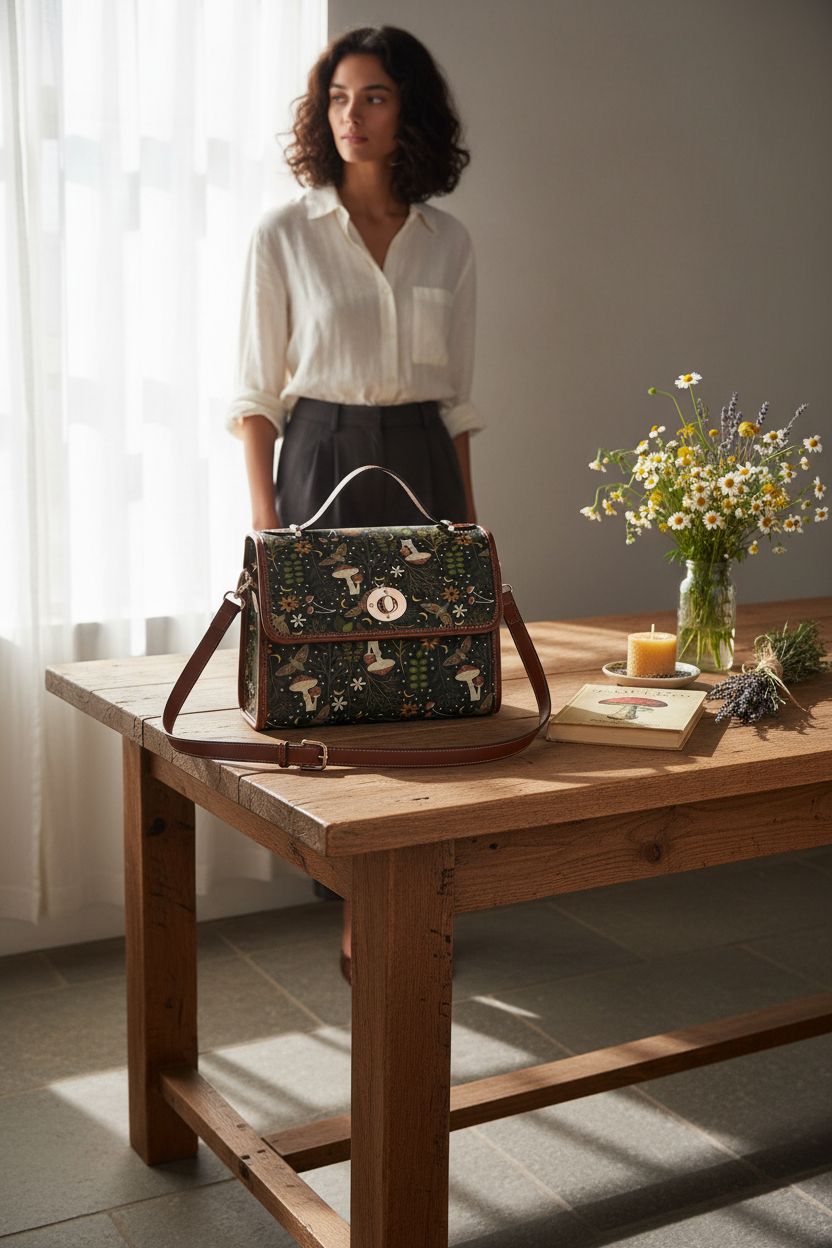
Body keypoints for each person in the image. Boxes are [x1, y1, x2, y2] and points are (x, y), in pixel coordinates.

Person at [226, 25, 484, 983]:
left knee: (429, 677)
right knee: (336, 682)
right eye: (337, 97)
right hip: (320, 451)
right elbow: (256, 394)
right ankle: (359, 908)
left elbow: (459, 401)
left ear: (408, 108)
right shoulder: (283, 234)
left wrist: (474, 538)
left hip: (422, 455)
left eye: (372, 96)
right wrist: (266, 533)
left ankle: (423, 888)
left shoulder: (449, 241)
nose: (352, 116)